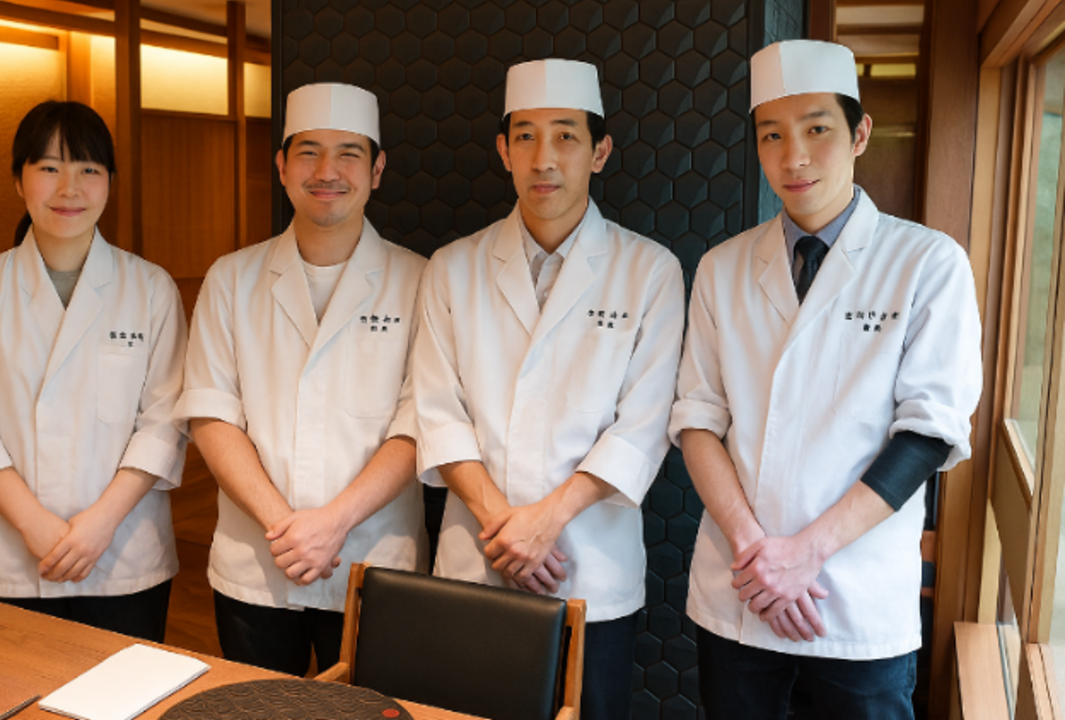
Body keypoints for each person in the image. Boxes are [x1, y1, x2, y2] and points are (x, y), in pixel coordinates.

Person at [669, 40, 983, 719]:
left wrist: (806, 555)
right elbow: (696, 417)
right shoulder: (722, 268)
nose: (795, 157)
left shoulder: (928, 263)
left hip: (854, 602)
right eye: (772, 135)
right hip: (741, 593)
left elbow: (928, 435)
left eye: (817, 129)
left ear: (859, 133)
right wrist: (761, 557)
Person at [411, 59, 685, 720]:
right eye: (526, 136)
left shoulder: (649, 270)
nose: (544, 158)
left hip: (588, 565)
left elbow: (642, 425)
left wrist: (546, 523)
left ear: (600, 151)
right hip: (478, 559)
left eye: (566, 136)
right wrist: (507, 530)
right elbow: (437, 410)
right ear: (504, 151)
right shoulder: (453, 267)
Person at [175, 83, 426, 676]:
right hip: (257, 563)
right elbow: (213, 415)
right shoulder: (231, 278)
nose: (328, 171)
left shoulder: (421, 281)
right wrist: (284, 527)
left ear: (377, 169)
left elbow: (422, 421)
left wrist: (333, 522)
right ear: (283, 166)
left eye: (349, 153)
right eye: (308, 152)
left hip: (375, 561)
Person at [0, 100, 188, 642]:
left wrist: (99, 524)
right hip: (11, 554)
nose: (69, 187)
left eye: (88, 169)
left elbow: (163, 423)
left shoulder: (151, 290)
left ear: (109, 183)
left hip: (122, 553)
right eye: (48, 168)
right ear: (18, 180)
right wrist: (35, 525)